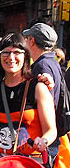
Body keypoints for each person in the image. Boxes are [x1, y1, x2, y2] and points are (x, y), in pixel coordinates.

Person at [0, 33, 57, 159]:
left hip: (32, 163)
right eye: (5, 52)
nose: (11, 57)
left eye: (17, 52)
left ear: (25, 56)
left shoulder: (38, 87)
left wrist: (44, 141)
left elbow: (51, 130)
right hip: (1, 163)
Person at [22, 23, 61, 160]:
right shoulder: (52, 61)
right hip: (48, 137)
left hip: (41, 139)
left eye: (27, 38)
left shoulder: (41, 66)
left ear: (32, 41)